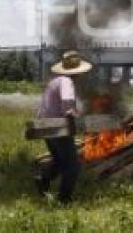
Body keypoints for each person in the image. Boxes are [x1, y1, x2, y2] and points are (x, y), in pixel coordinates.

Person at [35, 50, 93, 204]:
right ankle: (64, 201)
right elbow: (67, 108)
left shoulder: (55, 80)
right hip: (58, 127)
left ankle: (42, 180)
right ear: (77, 72)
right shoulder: (67, 82)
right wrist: (79, 120)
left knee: (60, 161)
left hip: (45, 126)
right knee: (72, 166)